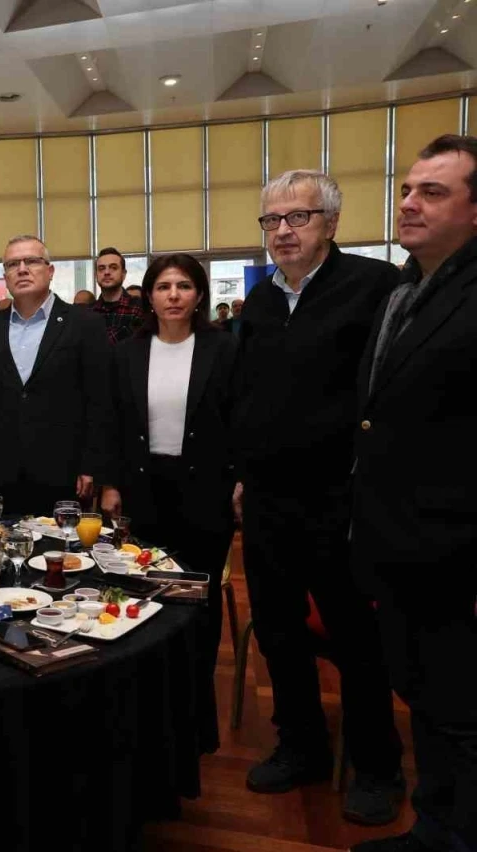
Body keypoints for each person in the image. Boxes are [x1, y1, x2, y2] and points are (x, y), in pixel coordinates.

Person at [232, 169, 403, 822]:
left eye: (297, 217)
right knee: (279, 633)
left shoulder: (376, 286)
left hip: (342, 499)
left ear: (331, 223)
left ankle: (377, 766)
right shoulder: (260, 300)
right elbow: (249, 393)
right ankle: (300, 745)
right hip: (268, 501)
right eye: (272, 220)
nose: (282, 231)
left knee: (357, 639)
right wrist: (243, 473)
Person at [348, 134, 477, 852]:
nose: (409, 202)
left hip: (455, 551)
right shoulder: (405, 290)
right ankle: (435, 829)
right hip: (400, 545)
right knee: (428, 704)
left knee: (461, 714)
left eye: (433, 191)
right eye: (406, 189)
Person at [100, 254, 236, 754]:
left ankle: (195, 718)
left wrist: (240, 480)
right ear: (149, 297)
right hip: (143, 490)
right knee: (146, 598)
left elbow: (240, 418)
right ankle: (149, 712)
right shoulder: (128, 354)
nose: (173, 295)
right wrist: (111, 484)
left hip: (205, 492)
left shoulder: (225, 348)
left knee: (197, 604)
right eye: (163, 286)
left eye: (183, 286)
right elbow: (113, 424)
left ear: (199, 295)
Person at [0, 234, 112, 517]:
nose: (22, 269)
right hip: (0, 472)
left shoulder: (85, 324)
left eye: (31, 261)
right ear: (5, 277)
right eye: (12, 264)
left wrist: (92, 464)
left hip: (63, 471)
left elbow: (100, 402)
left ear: (50, 270)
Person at [91, 246, 143, 344]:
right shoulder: (88, 312)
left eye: (113, 268)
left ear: (123, 274)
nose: (106, 272)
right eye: (101, 268)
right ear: (95, 275)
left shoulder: (139, 307)